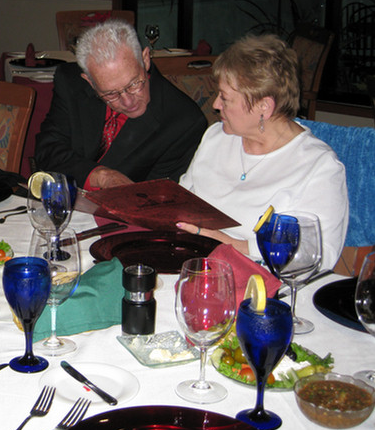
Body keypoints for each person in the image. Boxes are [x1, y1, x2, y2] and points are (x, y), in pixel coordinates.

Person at [177, 34, 348, 271]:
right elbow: (182, 201)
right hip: (194, 265)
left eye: (225, 98)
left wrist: (231, 244)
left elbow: (317, 256)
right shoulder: (215, 138)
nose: (216, 105)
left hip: (263, 285)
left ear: (263, 107)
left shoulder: (318, 166)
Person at [35, 19, 207, 189]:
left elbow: (158, 196)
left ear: (145, 59)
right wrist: (100, 176)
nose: (127, 101)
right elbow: (48, 150)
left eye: (134, 84)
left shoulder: (184, 121)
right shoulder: (70, 82)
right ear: (89, 81)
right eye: (111, 93)